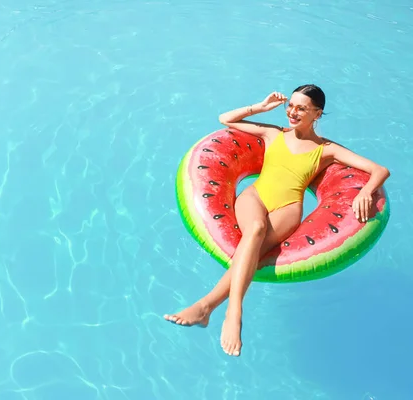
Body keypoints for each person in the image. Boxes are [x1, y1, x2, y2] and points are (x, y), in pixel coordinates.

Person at [163, 84, 391, 357]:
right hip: (256, 196)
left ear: (317, 113)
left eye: (301, 108)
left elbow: (379, 170)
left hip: (288, 209)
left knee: (253, 250)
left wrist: (365, 192)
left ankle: (205, 308)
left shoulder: (327, 150)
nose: (292, 112)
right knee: (255, 231)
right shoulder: (273, 133)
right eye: (290, 106)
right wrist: (260, 107)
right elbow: (225, 119)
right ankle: (232, 313)